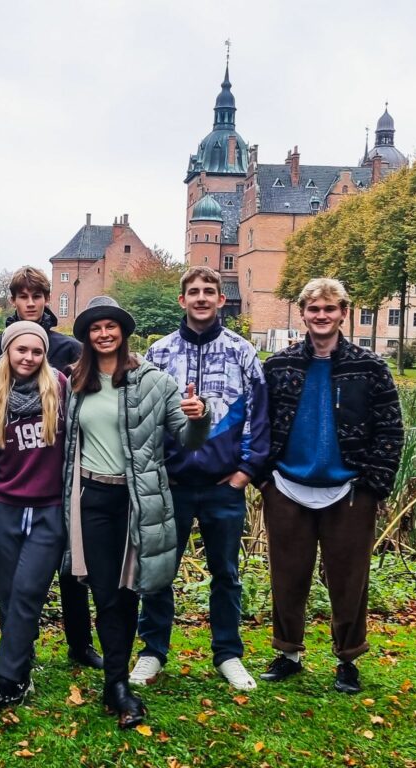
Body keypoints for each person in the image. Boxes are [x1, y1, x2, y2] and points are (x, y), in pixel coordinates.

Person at [62, 296, 210, 729]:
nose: (104, 334)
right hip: (92, 499)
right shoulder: (76, 381)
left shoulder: (155, 382)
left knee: (129, 594)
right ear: (87, 337)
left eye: (111, 326)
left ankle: (116, 684)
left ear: (123, 332)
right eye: (95, 328)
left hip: (137, 500)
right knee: (106, 593)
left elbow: (189, 439)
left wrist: (199, 416)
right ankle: (117, 684)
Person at [259, 278, 403, 694]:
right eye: (313, 309)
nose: (321, 316)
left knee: (349, 578)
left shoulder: (369, 367)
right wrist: (264, 477)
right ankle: (288, 652)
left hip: (351, 489)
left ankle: (348, 659)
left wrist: (375, 483)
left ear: (343, 313)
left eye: (329, 309)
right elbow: (259, 423)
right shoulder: (279, 365)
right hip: (287, 485)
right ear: (302, 313)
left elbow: (390, 430)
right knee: (288, 575)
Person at [130, 267, 269, 691]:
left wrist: (246, 472)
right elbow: (143, 418)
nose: (202, 298)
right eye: (194, 292)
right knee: (158, 572)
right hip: (170, 485)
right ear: (182, 300)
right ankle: (153, 651)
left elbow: (260, 417)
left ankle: (228, 653)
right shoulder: (159, 354)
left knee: (225, 574)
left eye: (210, 291)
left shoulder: (243, 352)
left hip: (222, 485)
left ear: (221, 299)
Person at [0, 267, 100, 669]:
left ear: (46, 299)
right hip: (9, 493)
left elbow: (99, 382)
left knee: (69, 577)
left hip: (53, 492)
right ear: (14, 301)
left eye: (37, 296)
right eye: (23, 296)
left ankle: (80, 643)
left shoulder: (67, 349)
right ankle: (20, 655)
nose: (31, 303)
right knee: (13, 583)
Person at [0, 321, 68, 713]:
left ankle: (8, 681)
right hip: (4, 506)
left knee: (28, 593)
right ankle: (23, 667)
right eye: (21, 350)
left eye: (36, 351)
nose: (28, 358)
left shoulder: (60, 386)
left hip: (48, 509)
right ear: (8, 351)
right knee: (9, 596)